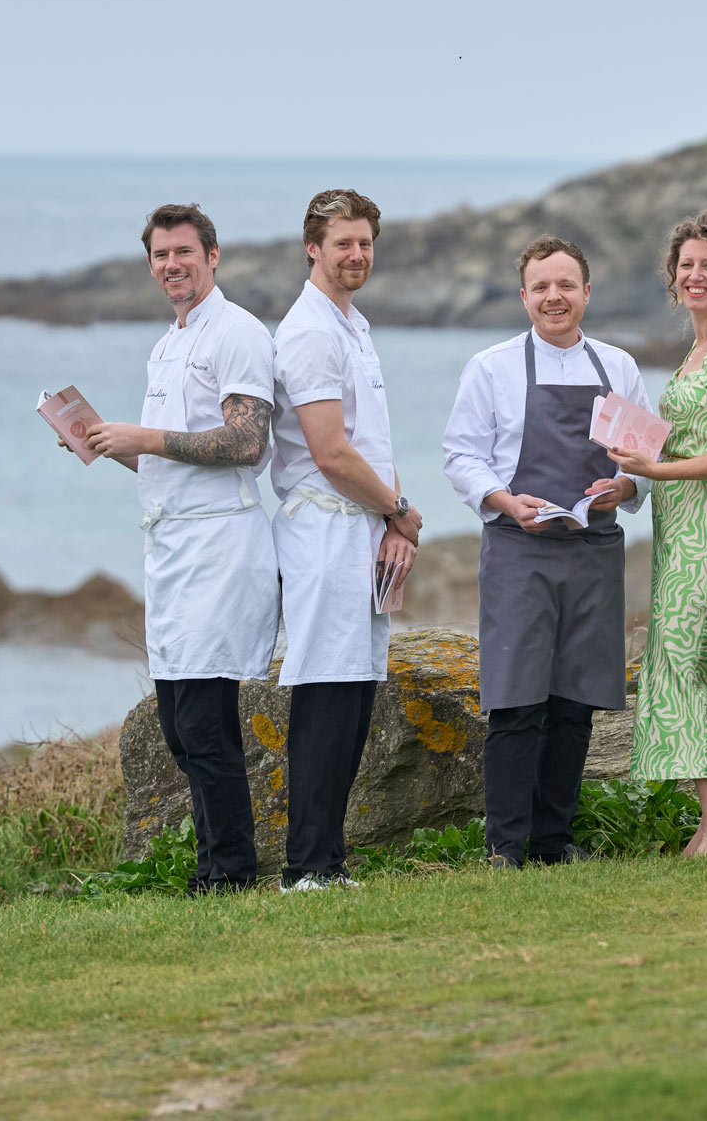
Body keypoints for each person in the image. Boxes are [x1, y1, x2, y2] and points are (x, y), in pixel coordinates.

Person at [80, 203, 277, 892]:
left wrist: (144, 438)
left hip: (221, 547)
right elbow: (171, 457)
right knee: (178, 729)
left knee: (204, 725)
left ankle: (229, 876)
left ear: (213, 255)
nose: (172, 265)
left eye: (184, 252)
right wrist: (110, 447)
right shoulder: (168, 345)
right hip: (173, 550)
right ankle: (212, 868)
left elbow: (248, 443)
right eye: (160, 255)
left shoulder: (238, 333)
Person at [442, 235, 651, 868]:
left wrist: (626, 486)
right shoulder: (491, 368)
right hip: (517, 551)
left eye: (566, 285)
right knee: (514, 699)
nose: (554, 297)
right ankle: (505, 845)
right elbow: (461, 454)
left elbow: (644, 460)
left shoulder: (619, 368)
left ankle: (555, 841)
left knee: (575, 699)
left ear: (587, 292)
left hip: (594, 550)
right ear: (525, 296)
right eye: (541, 287)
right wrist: (504, 501)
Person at [267, 188, 423, 892]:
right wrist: (400, 509)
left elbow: (366, 441)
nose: (356, 255)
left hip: (358, 526)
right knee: (327, 698)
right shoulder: (310, 332)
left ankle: (329, 859)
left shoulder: (350, 325)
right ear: (313, 248)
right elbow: (330, 453)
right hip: (325, 532)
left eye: (364, 243)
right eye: (342, 244)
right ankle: (306, 866)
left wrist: (391, 515)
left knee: (355, 692)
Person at [604, 210, 707, 856]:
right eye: (686, 266)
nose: (696, 276)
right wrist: (627, 466)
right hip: (678, 519)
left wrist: (658, 467)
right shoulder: (697, 349)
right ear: (673, 279)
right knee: (677, 656)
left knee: (694, 658)